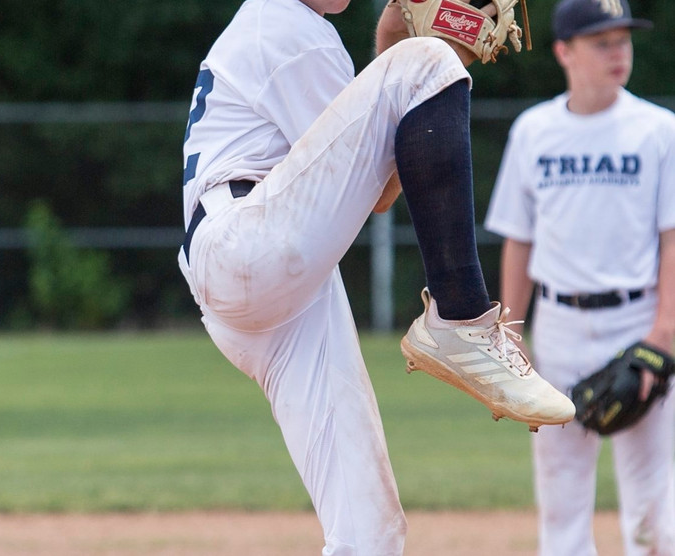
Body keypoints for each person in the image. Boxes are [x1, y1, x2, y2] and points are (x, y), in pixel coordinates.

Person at [178, 0, 574, 553]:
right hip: (246, 242)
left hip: (269, 278)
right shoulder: (286, 22)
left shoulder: (284, 26)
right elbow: (383, 179)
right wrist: (445, 53)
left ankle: (458, 325)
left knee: (371, 535)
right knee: (430, 64)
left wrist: (391, 34)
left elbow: (376, 186)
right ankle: (461, 316)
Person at [484, 0, 675, 554]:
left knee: (654, 512)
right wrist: (510, 336)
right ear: (564, 51)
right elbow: (519, 240)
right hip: (560, 328)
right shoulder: (534, 131)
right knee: (562, 505)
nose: (618, 52)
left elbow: (671, 238)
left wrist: (662, 336)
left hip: (637, 321)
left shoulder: (659, 131)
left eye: (623, 40)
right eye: (602, 41)